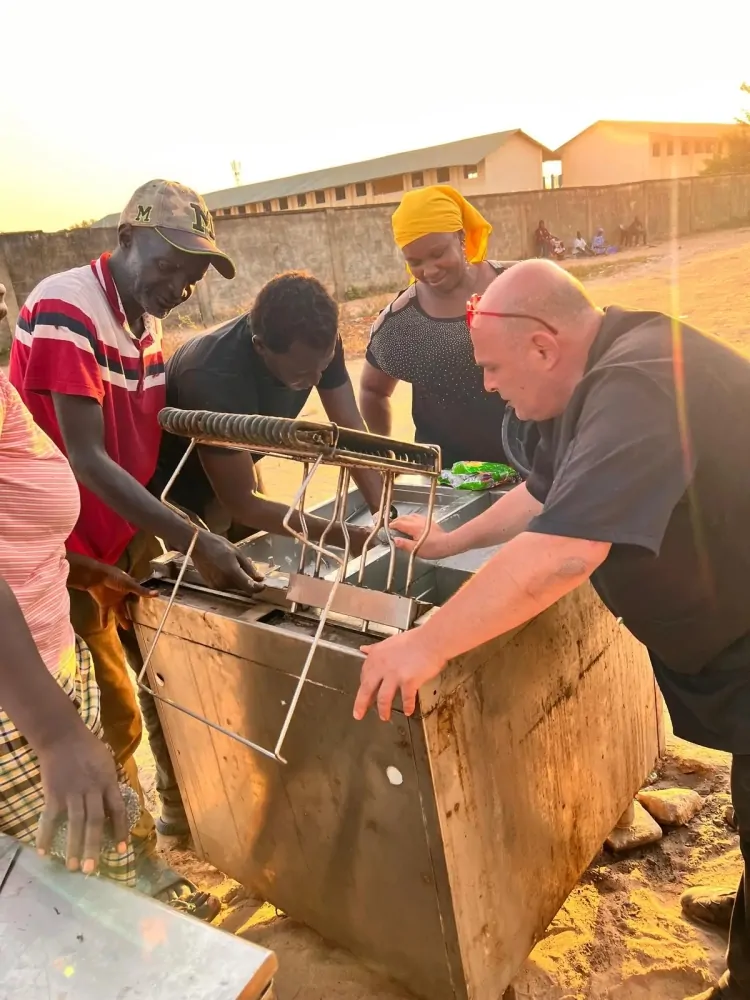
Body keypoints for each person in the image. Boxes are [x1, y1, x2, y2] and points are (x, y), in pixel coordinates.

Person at [353, 258, 750, 1000]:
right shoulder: (584, 381)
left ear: (542, 345)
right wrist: (446, 541)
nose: (489, 386)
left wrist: (426, 643)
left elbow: (566, 548)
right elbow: (545, 494)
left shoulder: (641, 381)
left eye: (494, 368)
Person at [9, 180, 262, 901]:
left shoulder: (141, 320)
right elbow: (88, 459)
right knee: (105, 713)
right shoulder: (67, 307)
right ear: (125, 239)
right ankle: (128, 869)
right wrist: (199, 538)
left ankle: (167, 821)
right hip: (68, 553)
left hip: (123, 538)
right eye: (170, 264)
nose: (180, 285)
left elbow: (139, 439)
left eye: (193, 274)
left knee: (158, 680)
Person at [0, 285, 221, 915]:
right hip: (17, 709)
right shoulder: (70, 314)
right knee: (73, 904)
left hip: (47, 661)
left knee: (97, 872)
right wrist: (56, 734)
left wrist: (80, 570)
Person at [152, 271, 383, 548]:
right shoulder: (212, 377)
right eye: (302, 373)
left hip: (239, 454)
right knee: (215, 563)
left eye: (324, 366)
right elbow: (244, 504)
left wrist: (384, 514)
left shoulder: (317, 344)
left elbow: (349, 428)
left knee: (262, 547)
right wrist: (348, 537)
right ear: (260, 347)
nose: (316, 380)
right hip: (179, 479)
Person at [359, 184, 523, 469]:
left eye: (437, 254)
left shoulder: (520, 285)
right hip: (449, 479)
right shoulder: (402, 324)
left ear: (460, 237)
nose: (430, 270)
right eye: (415, 261)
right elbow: (373, 390)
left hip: (535, 464)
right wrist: (386, 454)